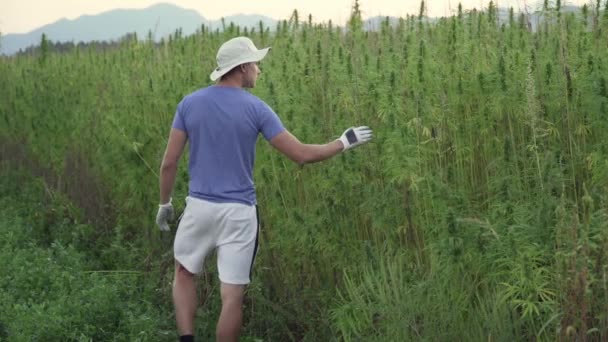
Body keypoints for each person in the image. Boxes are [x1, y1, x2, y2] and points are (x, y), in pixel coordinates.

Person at [155, 36, 373, 342]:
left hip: (199, 209)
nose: (259, 69)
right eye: (256, 63)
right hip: (240, 215)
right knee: (232, 296)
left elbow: (169, 163)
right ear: (242, 68)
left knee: (183, 273)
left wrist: (165, 204)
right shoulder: (257, 109)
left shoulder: (189, 104)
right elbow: (301, 154)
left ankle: (187, 338)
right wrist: (344, 142)